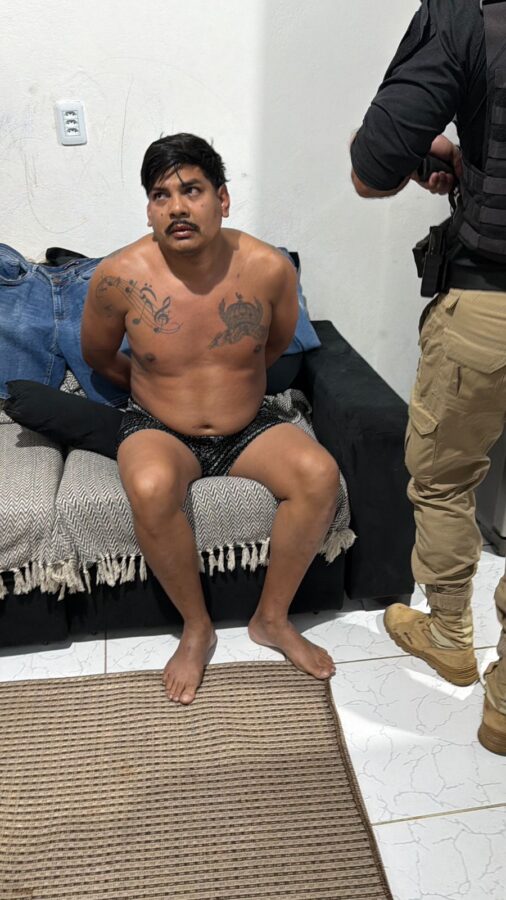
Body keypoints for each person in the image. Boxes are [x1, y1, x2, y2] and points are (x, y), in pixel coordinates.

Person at [81, 132, 339, 705]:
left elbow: (272, 347)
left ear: (222, 199)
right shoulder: (118, 277)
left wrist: (230, 390)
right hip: (158, 428)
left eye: (192, 190)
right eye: (161, 195)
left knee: (320, 476)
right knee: (151, 486)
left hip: (247, 428)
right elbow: (98, 357)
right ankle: (196, 629)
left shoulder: (269, 269)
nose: (177, 207)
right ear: (149, 209)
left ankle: (271, 619)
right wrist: (158, 390)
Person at [350, 0, 506, 755]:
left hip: (490, 305)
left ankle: (449, 634)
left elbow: (372, 169)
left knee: (443, 480)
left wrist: (443, 152)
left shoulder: (468, 11)